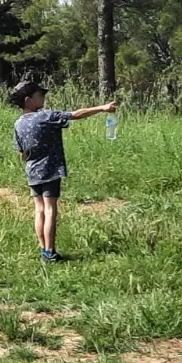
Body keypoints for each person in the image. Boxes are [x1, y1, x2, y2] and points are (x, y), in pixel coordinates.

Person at [9, 78, 117, 263]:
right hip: (50, 170)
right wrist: (102, 108)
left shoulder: (18, 123)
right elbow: (75, 115)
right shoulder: (45, 117)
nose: (43, 97)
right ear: (28, 99)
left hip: (32, 172)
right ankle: (50, 252)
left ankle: (43, 249)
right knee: (50, 210)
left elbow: (22, 153)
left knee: (39, 210)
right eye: (39, 95)